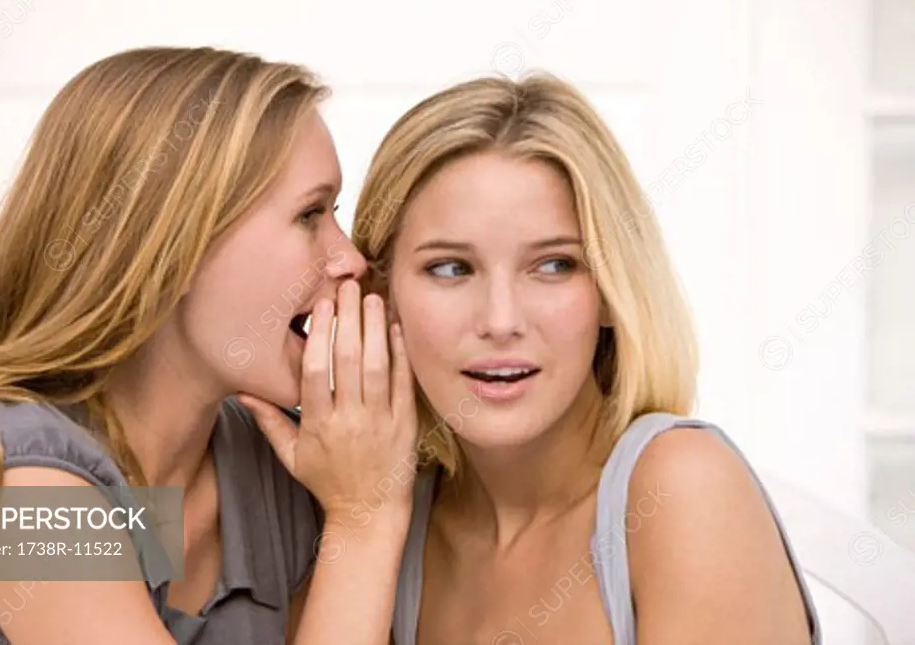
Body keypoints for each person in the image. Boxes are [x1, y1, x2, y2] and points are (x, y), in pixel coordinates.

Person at [0, 46, 417, 645]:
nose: (349, 258)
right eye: (309, 215)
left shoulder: (279, 464)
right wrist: (365, 519)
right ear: (176, 244)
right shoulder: (15, 492)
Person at [350, 73, 823, 644]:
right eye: (451, 268)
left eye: (553, 266)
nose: (501, 321)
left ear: (609, 288)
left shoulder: (681, 489)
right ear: (383, 296)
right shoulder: (380, 524)